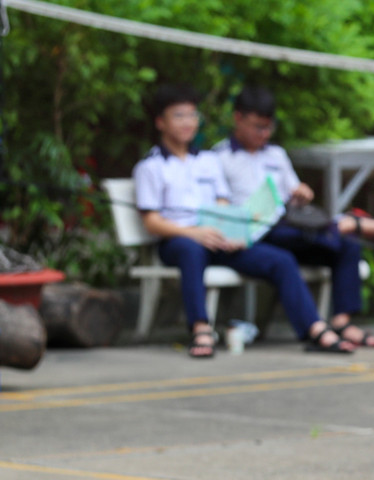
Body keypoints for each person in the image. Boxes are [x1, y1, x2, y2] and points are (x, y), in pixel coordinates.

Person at [132, 84, 353, 357]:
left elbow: (223, 203)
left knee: (281, 260)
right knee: (191, 252)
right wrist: (194, 233)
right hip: (179, 240)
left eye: (191, 115)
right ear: (160, 122)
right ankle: (201, 329)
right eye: (179, 116)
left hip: (219, 239)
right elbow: (151, 222)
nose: (187, 122)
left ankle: (315, 329)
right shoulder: (151, 167)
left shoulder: (208, 161)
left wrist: (230, 230)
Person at [214, 86, 374, 347]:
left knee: (347, 247)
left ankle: (342, 322)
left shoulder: (276, 155)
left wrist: (302, 194)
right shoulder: (218, 157)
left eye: (268, 127)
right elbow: (219, 208)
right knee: (287, 247)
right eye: (257, 127)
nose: (263, 134)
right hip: (252, 236)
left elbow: (292, 195)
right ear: (237, 119)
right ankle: (342, 225)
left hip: (288, 229)